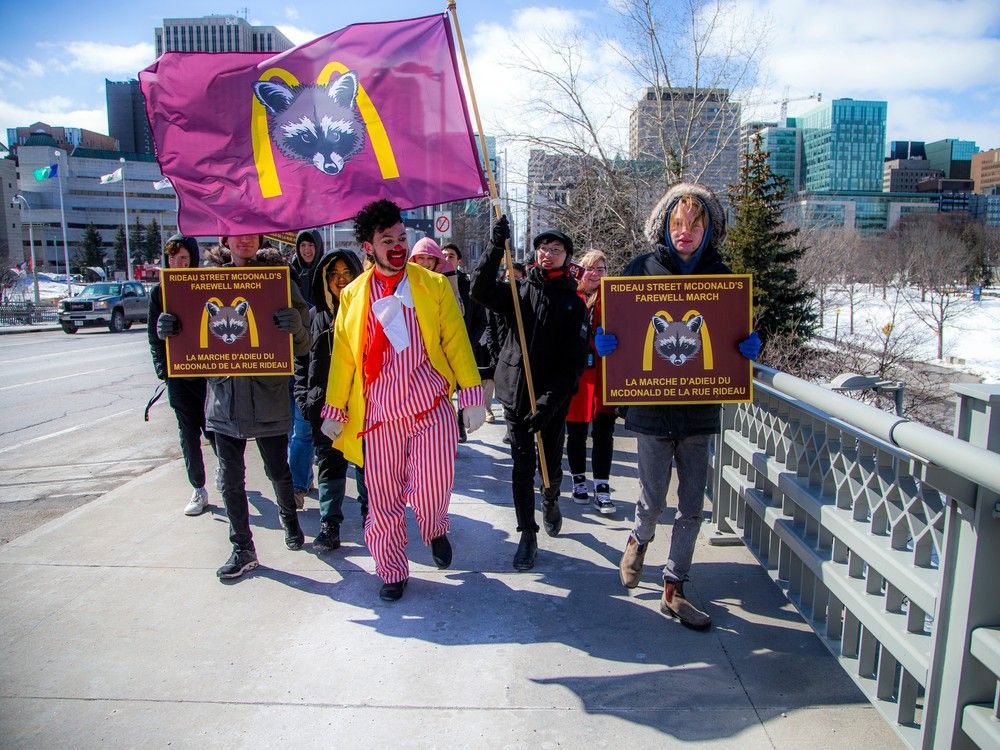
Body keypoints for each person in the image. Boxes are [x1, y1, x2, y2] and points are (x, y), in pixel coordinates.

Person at [597, 183, 761, 630]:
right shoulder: (639, 269)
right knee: (651, 501)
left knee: (691, 505)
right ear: (664, 227)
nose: (685, 231)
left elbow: (731, 332)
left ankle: (675, 587)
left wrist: (745, 347)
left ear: (708, 229)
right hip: (650, 411)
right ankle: (637, 539)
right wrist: (602, 344)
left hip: (699, 410)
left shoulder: (723, 277)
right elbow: (613, 327)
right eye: (677, 223)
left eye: (694, 224)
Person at [320, 199, 485, 602]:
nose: (396, 246)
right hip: (379, 418)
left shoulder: (434, 286)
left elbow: (455, 342)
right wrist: (335, 407)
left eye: (401, 238)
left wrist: (471, 393)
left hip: (430, 408)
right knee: (383, 501)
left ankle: (434, 526)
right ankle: (392, 569)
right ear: (368, 247)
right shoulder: (354, 295)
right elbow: (344, 356)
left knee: (433, 486)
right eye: (386, 240)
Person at [156, 234, 312, 580]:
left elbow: (304, 345)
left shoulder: (279, 279)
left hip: (267, 397)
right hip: (223, 399)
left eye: (251, 233)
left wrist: (296, 325)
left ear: (259, 238)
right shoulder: (202, 283)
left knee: (278, 471)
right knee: (231, 479)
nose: (244, 240)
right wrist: (168, 331)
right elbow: (185, 342)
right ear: (225, 238)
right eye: (236, 233)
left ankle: (290, 520)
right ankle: (242, 546)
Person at [470, 217, 588, 571]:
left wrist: (548, 404)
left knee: (548, 464)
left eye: (556, 249)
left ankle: (551, 496)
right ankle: (528, 532)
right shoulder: (521, 290)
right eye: (543, 248)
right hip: (516, 395)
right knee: (521, 467)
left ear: (567, 257)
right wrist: (494, 247)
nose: (548, 254)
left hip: (550, 402)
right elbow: (479, 290)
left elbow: (572, 365)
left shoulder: (574, 304)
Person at [294, 248, 366, 551]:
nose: (339, 280)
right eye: (333, 274)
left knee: (368, 467)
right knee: (329, 465)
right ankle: (330, 524)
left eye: (346, 273)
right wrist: (304, 396)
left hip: (364, 408)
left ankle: (373, 519)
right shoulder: (315, 317)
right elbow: (301, 360)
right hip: (324, 407)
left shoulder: (371, 313)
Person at [147, 234, 218, 516]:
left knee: (214, 431)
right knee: (188, 434)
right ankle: (198, 487)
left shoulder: (204, 287)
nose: (179, 263)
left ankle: (225, 472)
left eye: (185, 258)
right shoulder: (159, 294)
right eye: (174, 258)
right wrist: (164, 369)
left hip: (207, 378)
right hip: (178, 377)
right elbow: (154, 338)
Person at [564, 249, 616, 516]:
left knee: (604, 432)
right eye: (590, 268)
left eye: (601, 268)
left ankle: (603, 485)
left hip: (605, 374)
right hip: (578, 374)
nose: (595, 273)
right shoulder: (571, 296)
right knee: (576, 431)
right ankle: (578, 479)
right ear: (581, 270)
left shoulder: (616, 298)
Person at [288, 230, 323, 507]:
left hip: (317, 356)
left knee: (304, 430)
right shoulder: (289, 274)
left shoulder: (325, 273)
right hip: (290, 358)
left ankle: (299, 483)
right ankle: (299, 480)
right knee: (297, 430)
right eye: (303, 245)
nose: (307, 250)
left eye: (311, 244)